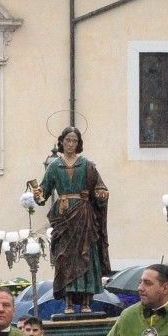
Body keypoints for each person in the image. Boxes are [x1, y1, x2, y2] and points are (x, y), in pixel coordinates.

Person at [32, 126, 111, 313]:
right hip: (64, 216)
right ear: (62, 142)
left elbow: (100, 188)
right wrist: (37, 193)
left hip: (84, 215)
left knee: (86, 254)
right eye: (67, 140)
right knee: (65, 257)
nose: (70, 144)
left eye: (74, 141)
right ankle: (67, 302)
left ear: (78, 143)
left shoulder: (87, 165)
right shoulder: (54, 166)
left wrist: (101, 194)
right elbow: (43, 194)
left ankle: (85, 302)